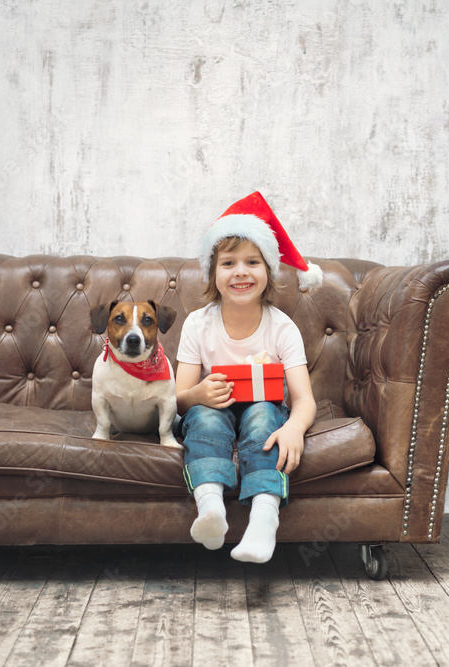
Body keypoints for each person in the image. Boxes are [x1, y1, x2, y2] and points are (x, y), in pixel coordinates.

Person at [175, 192, 323, 563]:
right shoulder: (198, 324)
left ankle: (263, 519)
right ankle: (211, 509)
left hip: (263, 413)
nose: (240, 271)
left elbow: (303, 399)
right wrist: (198, 395)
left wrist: (294, 429)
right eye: (228, 263)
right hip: (214, 411)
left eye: (252, 262)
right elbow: (177, 398)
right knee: (205, 417)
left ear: (269, 271)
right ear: (213, 273)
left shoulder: (282, 328)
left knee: (261, 413)